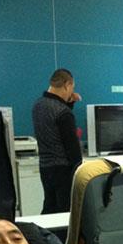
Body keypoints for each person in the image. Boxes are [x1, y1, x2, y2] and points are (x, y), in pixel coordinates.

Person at [32, 68, 83, 214]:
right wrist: (80, 172)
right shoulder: (63, 112)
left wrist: (69, 103)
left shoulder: (38, 105)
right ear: (67, 85)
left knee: (49, 207)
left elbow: (53, 125)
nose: (72, 92)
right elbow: (72, 149)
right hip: (63, 170)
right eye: (72, 87)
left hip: (45, 167)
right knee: (65, 212)